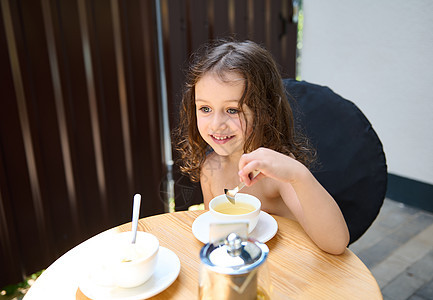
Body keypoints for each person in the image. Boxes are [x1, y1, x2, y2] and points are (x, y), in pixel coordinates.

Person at [175, 39, 349, 254]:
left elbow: (336, 244)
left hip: (290, 271)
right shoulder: (210, 169)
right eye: (205, 108)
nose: (215, 124)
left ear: (265, 112)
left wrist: (298, 174)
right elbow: (218, 238)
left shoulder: (278, 172)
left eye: (232, 110)